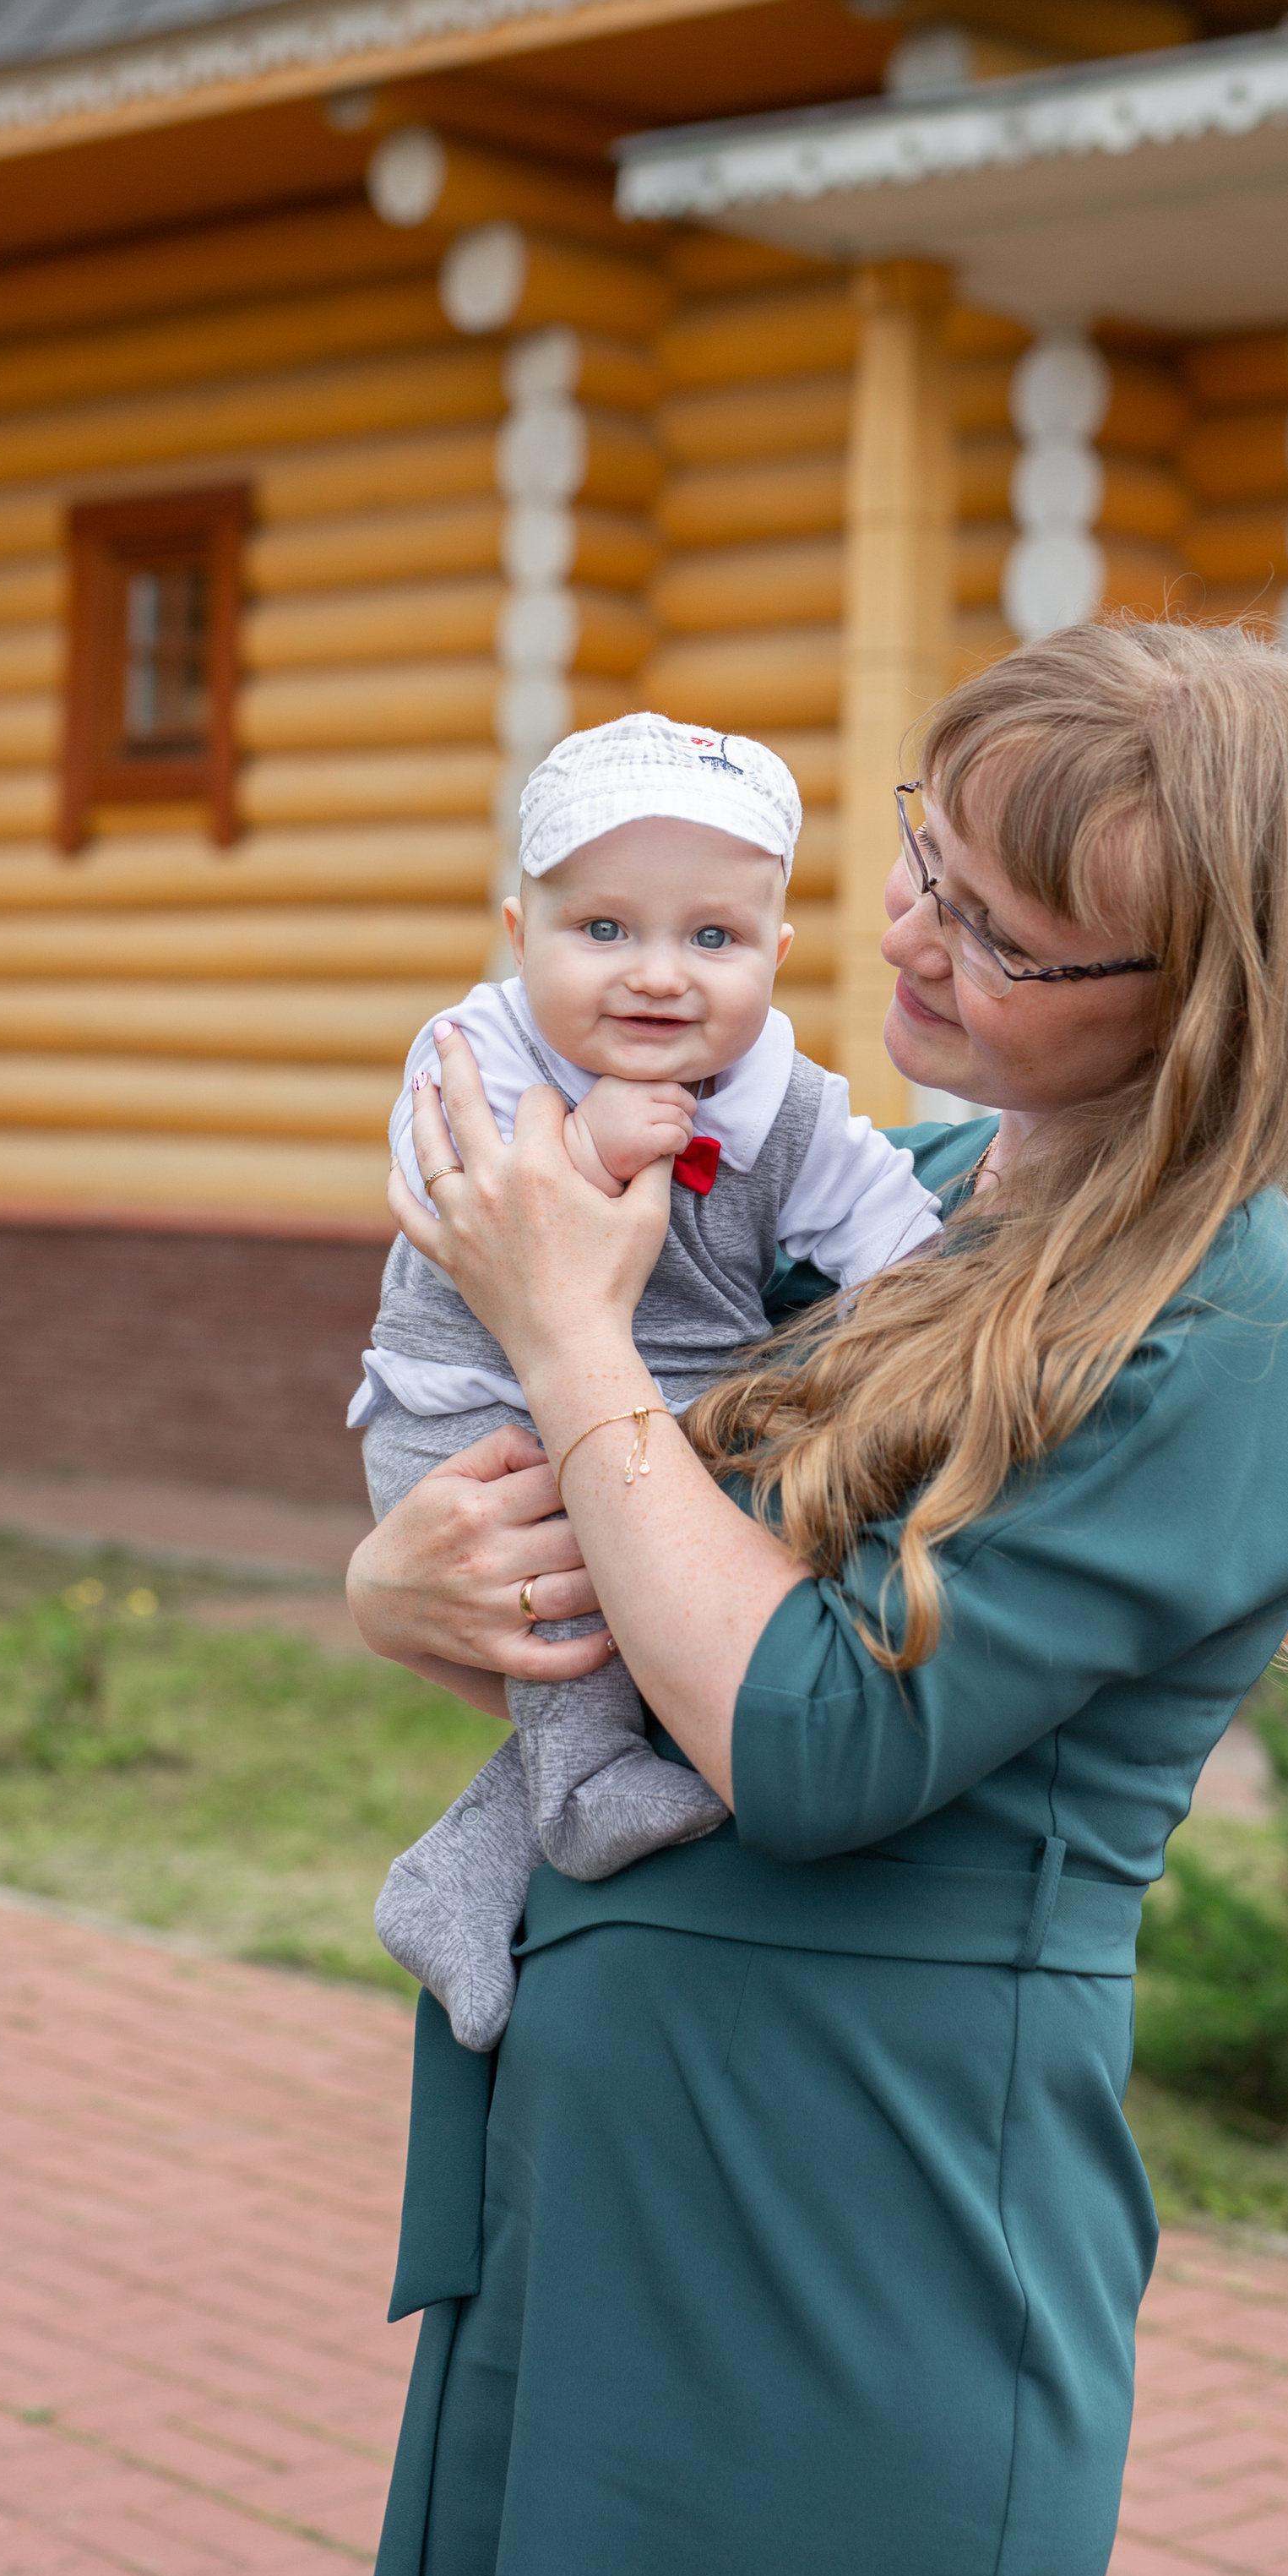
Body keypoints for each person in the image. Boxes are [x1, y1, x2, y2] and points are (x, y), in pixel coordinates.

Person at [342, 620, 1288, 2576]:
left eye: (998, 935)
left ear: (1195, 1002)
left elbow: (811, 1741)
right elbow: (660, 1612)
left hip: (847, 2237)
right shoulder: (908, 1199)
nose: (903, 938)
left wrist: (566, 1338)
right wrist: (399, 1589)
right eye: (922, 859)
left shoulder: (1227, 1324)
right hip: (613, 2187)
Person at [350, 711, 943, 2050]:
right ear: (521, 936)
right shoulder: (483, 1049)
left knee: (693, 1582)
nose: (658, 977)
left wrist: (919, 1300)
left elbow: (896, 1237)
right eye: (604, 931)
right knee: (575, 1584)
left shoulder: (786, 1103)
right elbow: (458, 1179)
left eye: (712, 939)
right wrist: (585, 1142)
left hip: (672, 1425)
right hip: (474, 1413)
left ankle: (463, 1872)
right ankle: (574, 1798)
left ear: (777, 956)